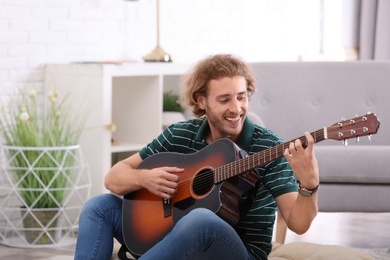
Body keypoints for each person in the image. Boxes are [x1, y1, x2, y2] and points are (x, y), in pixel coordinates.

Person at [74, 54, 319, 260]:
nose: (236, 108)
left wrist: (309, 185)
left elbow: (298, 224)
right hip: (171, 237)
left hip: (240, 252)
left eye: (242, 97)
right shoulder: (181, 133)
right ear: (201, 101)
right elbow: (114, 178)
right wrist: (144, 179)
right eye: (224, 99)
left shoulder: (269, 147)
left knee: (200, 219)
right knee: (99, 206)